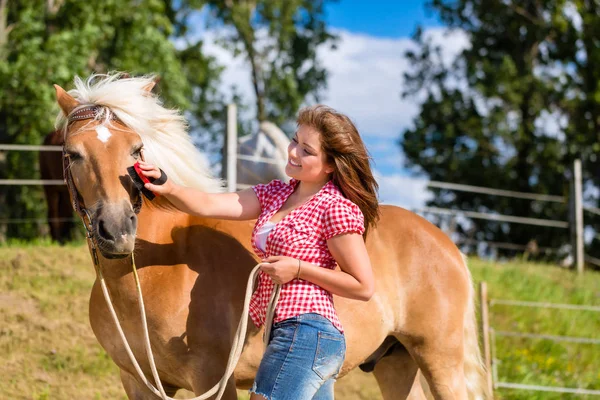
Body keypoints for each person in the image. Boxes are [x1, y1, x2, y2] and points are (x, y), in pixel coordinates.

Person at [139, 105, 379, 400]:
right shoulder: (275, 194)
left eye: (307, 150)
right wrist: (169, 186)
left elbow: (363, 285)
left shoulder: (336, 207)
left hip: (307, 331)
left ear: (330, 165)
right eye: (295, 141)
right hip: (285, 331)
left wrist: (299, 269)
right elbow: (209, 204)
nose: (292, 152)